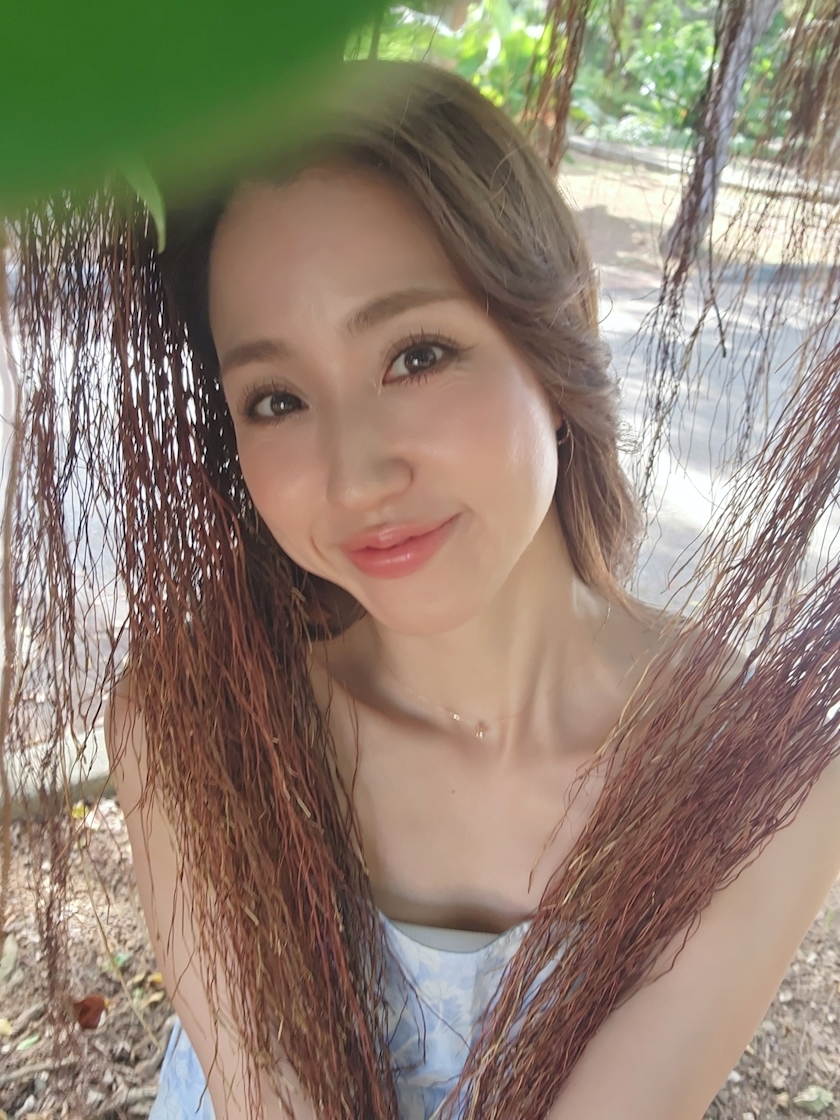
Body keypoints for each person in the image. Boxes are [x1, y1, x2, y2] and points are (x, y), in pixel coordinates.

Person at [91, 59, 840, 1120]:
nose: (355, 477)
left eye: (418, 354)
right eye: (276, 399)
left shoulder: (760, 773)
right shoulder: (193, 725)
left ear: (557, 345)